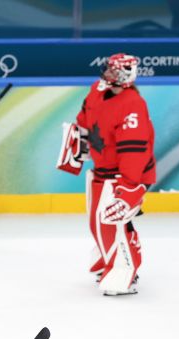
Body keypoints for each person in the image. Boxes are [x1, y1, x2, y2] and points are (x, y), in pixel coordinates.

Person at [57, 53, 155, 296]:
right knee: (97, 223)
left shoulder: (133, 104)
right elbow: (84, 119)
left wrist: (129, 189)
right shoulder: (97, 90)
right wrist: (77, 141)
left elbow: (134, 151)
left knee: (117, 223)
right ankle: (109, 259)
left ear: (125, 76)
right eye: (108, 69)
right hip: (100, 171)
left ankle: (127, 270)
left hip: (121, 177)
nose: (107, 73)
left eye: (114, 71)